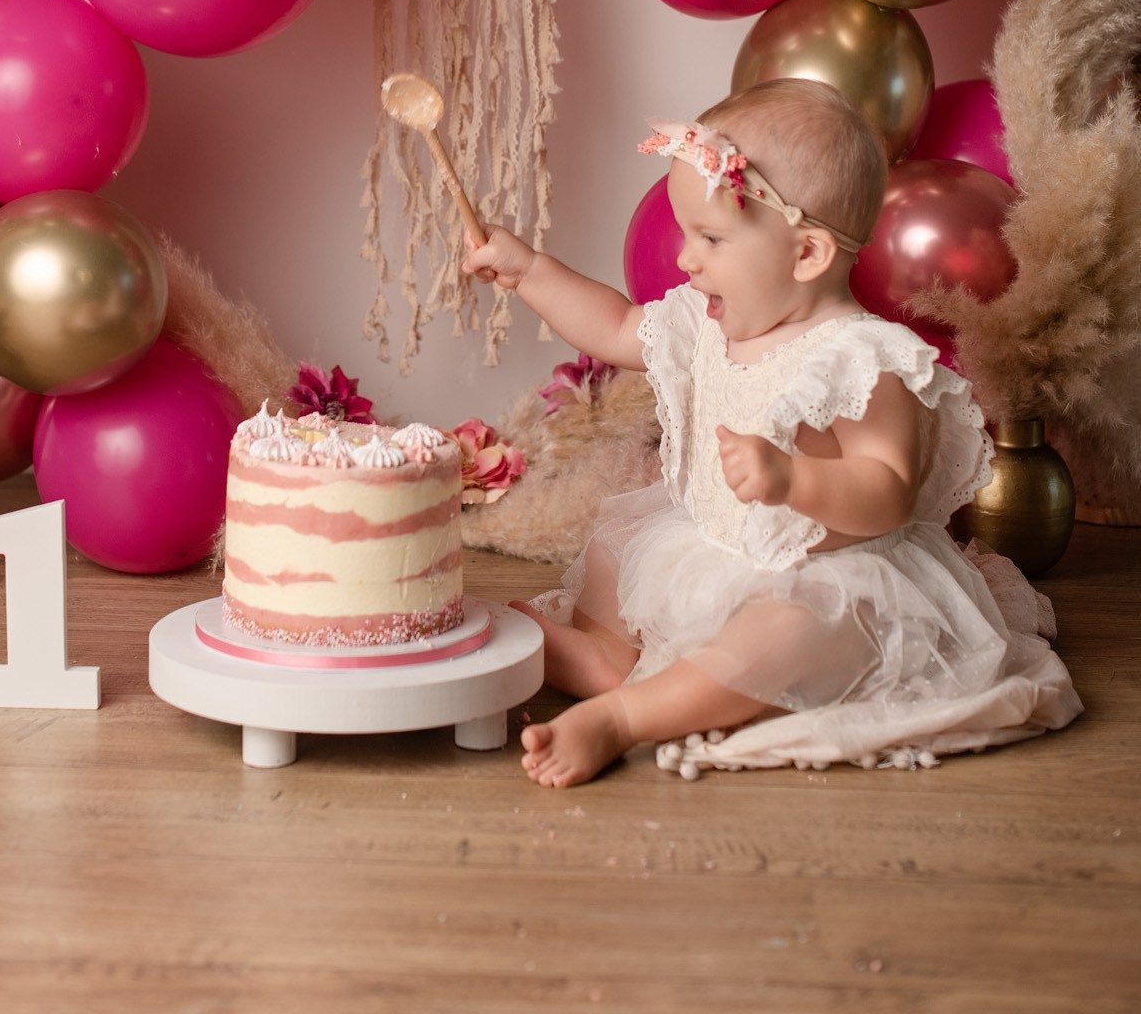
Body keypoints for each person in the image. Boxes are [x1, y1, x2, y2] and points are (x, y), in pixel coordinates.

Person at [463, 78, 1082, 789]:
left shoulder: (858, 358)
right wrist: (529, 271)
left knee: (785, 635)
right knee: (620, 543)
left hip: (823, 578)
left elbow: (888, 488)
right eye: (688, 234)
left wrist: (793, 477)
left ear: (807, 254)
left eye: (711, 238)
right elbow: (614, 325)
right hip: (717, 543)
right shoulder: (706, 321)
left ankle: (625, 717)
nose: (686, 259)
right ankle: (606, 658)